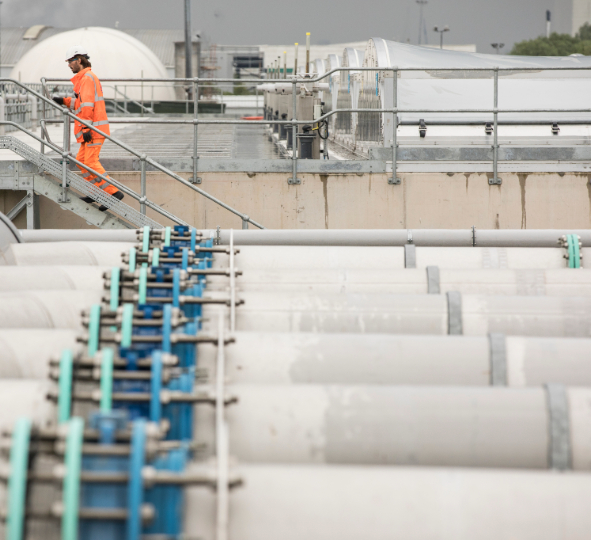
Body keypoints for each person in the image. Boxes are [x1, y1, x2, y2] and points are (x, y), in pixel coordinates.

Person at [53, 45, 123, 211]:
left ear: (79, 60)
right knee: (82, 162)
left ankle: (114, 193)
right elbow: (81, 103)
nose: (69, 65)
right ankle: (94, 193)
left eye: (70, 61)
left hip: (93, 130)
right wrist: (64, 101)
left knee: (90, 161)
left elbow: (87, 107)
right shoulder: (85, 78)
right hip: (91, 129)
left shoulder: (86, 78)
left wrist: (85, 129)